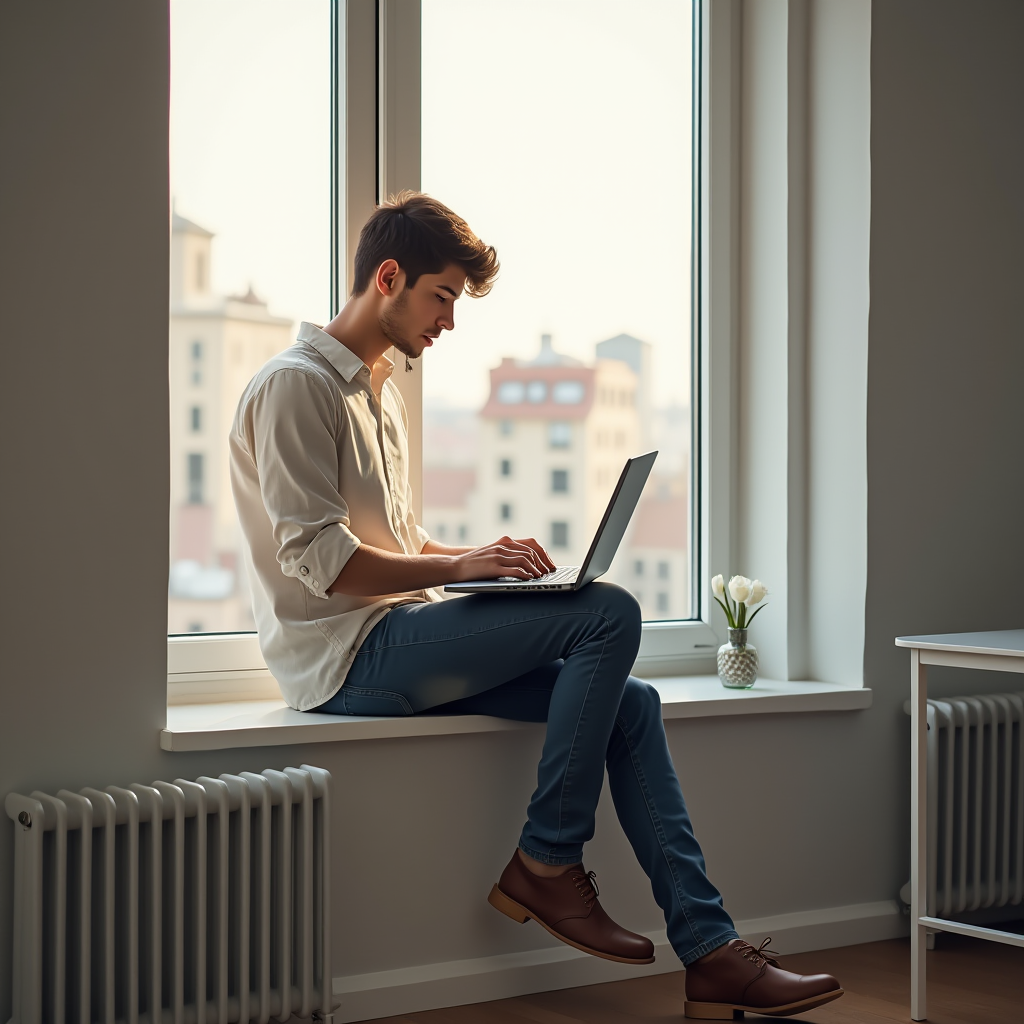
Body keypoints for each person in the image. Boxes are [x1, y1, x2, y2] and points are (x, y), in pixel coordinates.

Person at [228, 191, 844, 1019]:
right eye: (443, 295)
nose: (449, 320)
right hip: (346, 660)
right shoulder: (296, 388)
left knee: (630, 703)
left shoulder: (379, 393)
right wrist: (463, 565)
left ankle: (710, 952)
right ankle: (548, 861)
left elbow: (396, 543)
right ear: (388, 277)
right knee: (613, 612)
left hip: (397, 636)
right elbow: (324, 567)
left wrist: (479, 562)